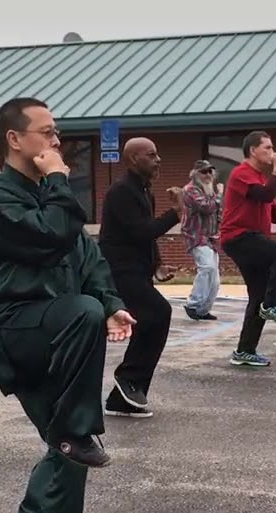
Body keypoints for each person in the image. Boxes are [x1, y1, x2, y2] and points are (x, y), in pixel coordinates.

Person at [0, 97, 135, 513]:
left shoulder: (52, 198)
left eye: (57, 131)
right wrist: (61, 179)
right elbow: (49, 236)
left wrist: (113, 306)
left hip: (56, 333)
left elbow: (89, 260)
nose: (56, 141)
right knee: (81, 313)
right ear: (15, 140)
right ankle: (73, 436)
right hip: (10, 328)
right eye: (46, 131)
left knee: (70, 438)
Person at [98, 137, 182, 419]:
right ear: (134, 159)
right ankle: (128, 379)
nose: (158, 160)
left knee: (153, 318)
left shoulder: (144, 192)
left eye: (157, 154)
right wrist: (177, 213)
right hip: (118, 271)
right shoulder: (120, 191)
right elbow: (143, 231)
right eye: (151, 155)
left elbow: (145, 236)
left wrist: (157, 265)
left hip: (138, 271)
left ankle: (123, 397)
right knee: (158, 312)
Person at [218, 131, 276, 367]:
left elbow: (271, 209)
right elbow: (266, 194)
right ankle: (272, 305)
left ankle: (244, 351)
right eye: (268, 148)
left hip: (253, 237)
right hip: (238, 237)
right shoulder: (242, 174)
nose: (273, 153)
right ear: (253, 150)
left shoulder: (259, 177)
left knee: (258, 295)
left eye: (272, 148)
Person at [181, 160, 222, 321]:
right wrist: (219, 194)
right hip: (196, 236)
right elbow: (206, 207)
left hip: (211, 238)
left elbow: (218, 212)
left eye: (210, 172)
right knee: (207, 268)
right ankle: (193, 304)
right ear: (196, 174)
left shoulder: (210, 190)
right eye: (204, 172)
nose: (208, 175)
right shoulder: (190, 190)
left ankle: (203, 310)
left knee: (215, 277)